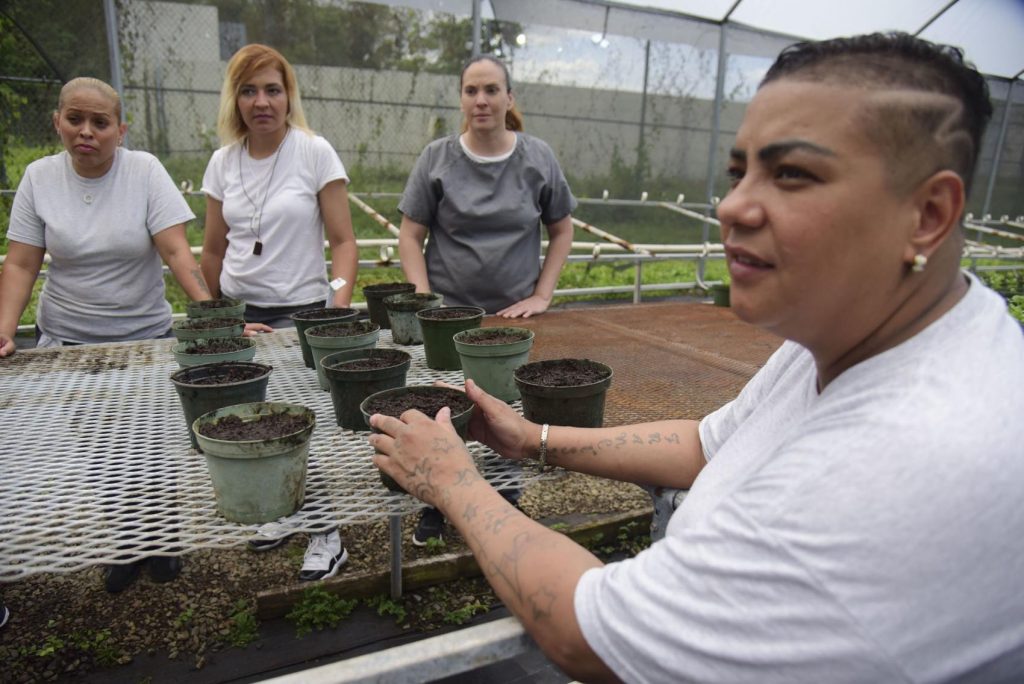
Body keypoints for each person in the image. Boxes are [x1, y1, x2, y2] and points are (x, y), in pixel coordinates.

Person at [370, 33, 1024, 682]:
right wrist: (531, 438)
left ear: (928, 214)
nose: (731, 206)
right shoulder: (858, 336)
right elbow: (706, 446)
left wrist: (454, 483)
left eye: (792, 174)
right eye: (740, 172)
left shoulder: (899, 469)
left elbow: (586, 635)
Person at [0, 77, 211, 593]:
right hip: (70, 340)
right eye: (75, 120)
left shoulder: (144, 172)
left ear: (121, 129)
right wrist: (3, 331)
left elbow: (177, 251)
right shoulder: (39, 178)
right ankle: (125, 540)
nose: (86, 132)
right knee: (101, 448)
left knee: (151, 443)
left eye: (100, 122)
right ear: (58, 122)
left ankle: (163, 536)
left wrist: (213, 314)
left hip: (143, 336)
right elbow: (22, 263)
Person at [397, 55, 577, 545]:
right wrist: (424, 300)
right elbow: (410, 235)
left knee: (504, 405)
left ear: (509, 98)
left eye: (492, 90)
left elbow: (562, 229)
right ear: (461, 99)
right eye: (471, 90)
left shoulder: (537, 158)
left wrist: (542, 294)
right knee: (442, 405)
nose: (481, 100)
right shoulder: (437, 158)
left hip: (510, 317)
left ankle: (504, 496)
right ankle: (438, 500)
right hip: (448, 317)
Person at [200, 43, 357, 581]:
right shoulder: (223, 162)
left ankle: (327, 534)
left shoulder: (314, 152)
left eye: (272, 89)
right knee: (254, 427)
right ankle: (282, 513)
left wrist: (335, 305)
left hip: (304, 315)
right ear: (235, 99)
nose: (261, 102)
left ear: (289, 96)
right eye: (248, 91)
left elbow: (343, 244)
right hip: (245, 319)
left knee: (300, 428)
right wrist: (226, 321)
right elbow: (212, 252)